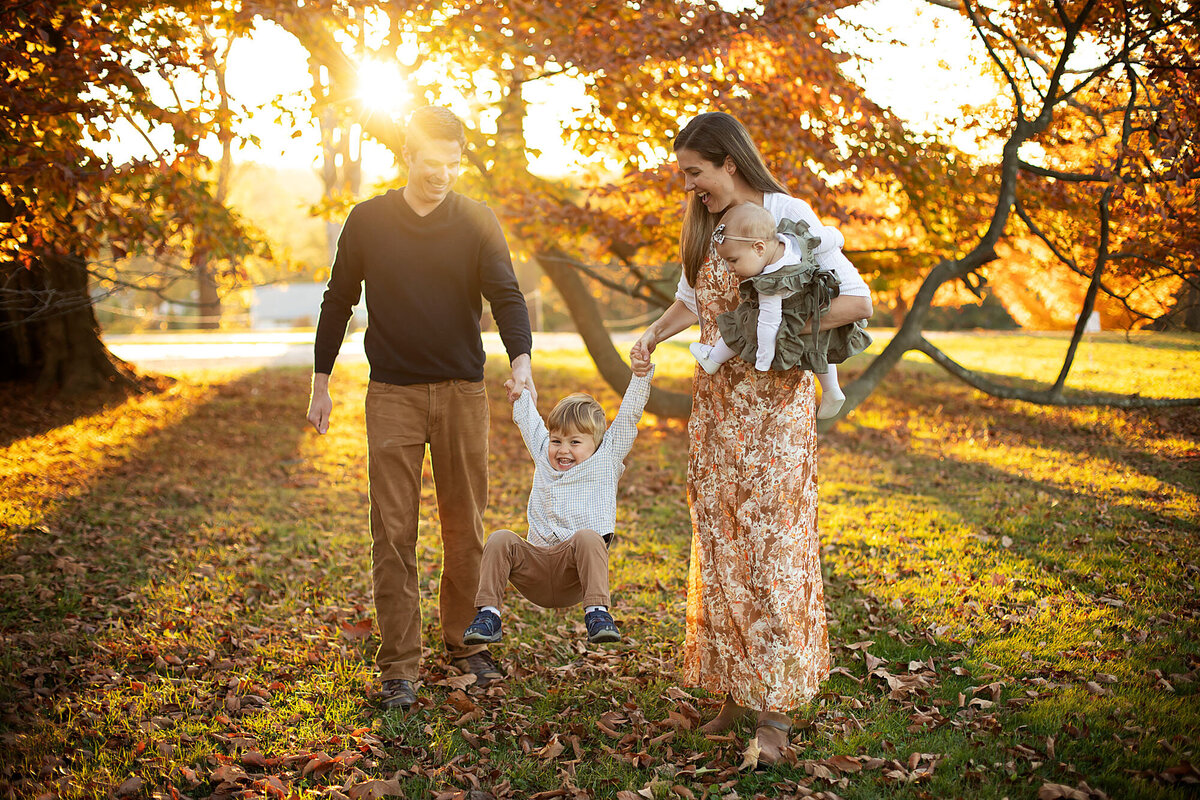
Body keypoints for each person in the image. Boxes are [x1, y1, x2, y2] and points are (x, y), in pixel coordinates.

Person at [629, 112, 872, 766]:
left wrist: (776, 320)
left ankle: (777, 716)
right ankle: (731, 693)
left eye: (695, 172)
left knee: (772, 553)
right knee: (720, 546)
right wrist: (653, 335)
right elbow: (690, 301)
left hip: (774, 420)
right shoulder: (705, 224)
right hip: (715, 414)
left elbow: (858, 300)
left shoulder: (787, 213)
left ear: (728, 162)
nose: (688, 186)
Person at [306, 106, 535, 711]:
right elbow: (337, 300)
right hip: (392, 396)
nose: (443, 175)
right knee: (394, 532)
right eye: (433, 163)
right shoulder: (369, 221)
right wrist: (321, 379)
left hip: (462, 392)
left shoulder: (476, 219)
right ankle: (399, 666)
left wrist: (521, 362)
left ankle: (464, 643)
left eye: (454, 164)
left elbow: (506, 295)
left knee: (466, 530)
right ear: (408, 155)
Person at [462, 365, 656, 648]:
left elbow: (628, 416)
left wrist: (640, 375)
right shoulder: (544, 454)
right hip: (536, 567)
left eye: (575, 442)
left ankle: (597, 613)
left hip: (574, 573)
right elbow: (529, 421)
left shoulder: (607, 458)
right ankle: (488, 615)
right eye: (557, 441)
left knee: (589, 537)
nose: (563, 450)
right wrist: (520, 391)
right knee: (500, 538)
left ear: (596, 443)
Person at [688, 201, 872, 419]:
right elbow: (827, 237)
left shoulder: (771, 284)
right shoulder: (796, 241)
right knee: (819, 343)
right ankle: (832, 390)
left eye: (733, 260)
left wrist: (764, 360)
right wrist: (838, 239)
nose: (730, 268)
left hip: (792, 314)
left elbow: (768, 325)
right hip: (817, 304)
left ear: (759, 248)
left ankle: (714, 358)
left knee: (744, 324)